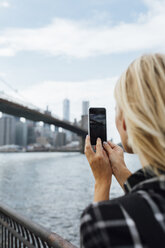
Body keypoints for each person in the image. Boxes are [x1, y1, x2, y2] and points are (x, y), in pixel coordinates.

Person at [80, 54, 165, 248]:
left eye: (118, 108)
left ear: (126, 123)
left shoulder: (106, 222)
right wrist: (121, 171)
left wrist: (102, 181)